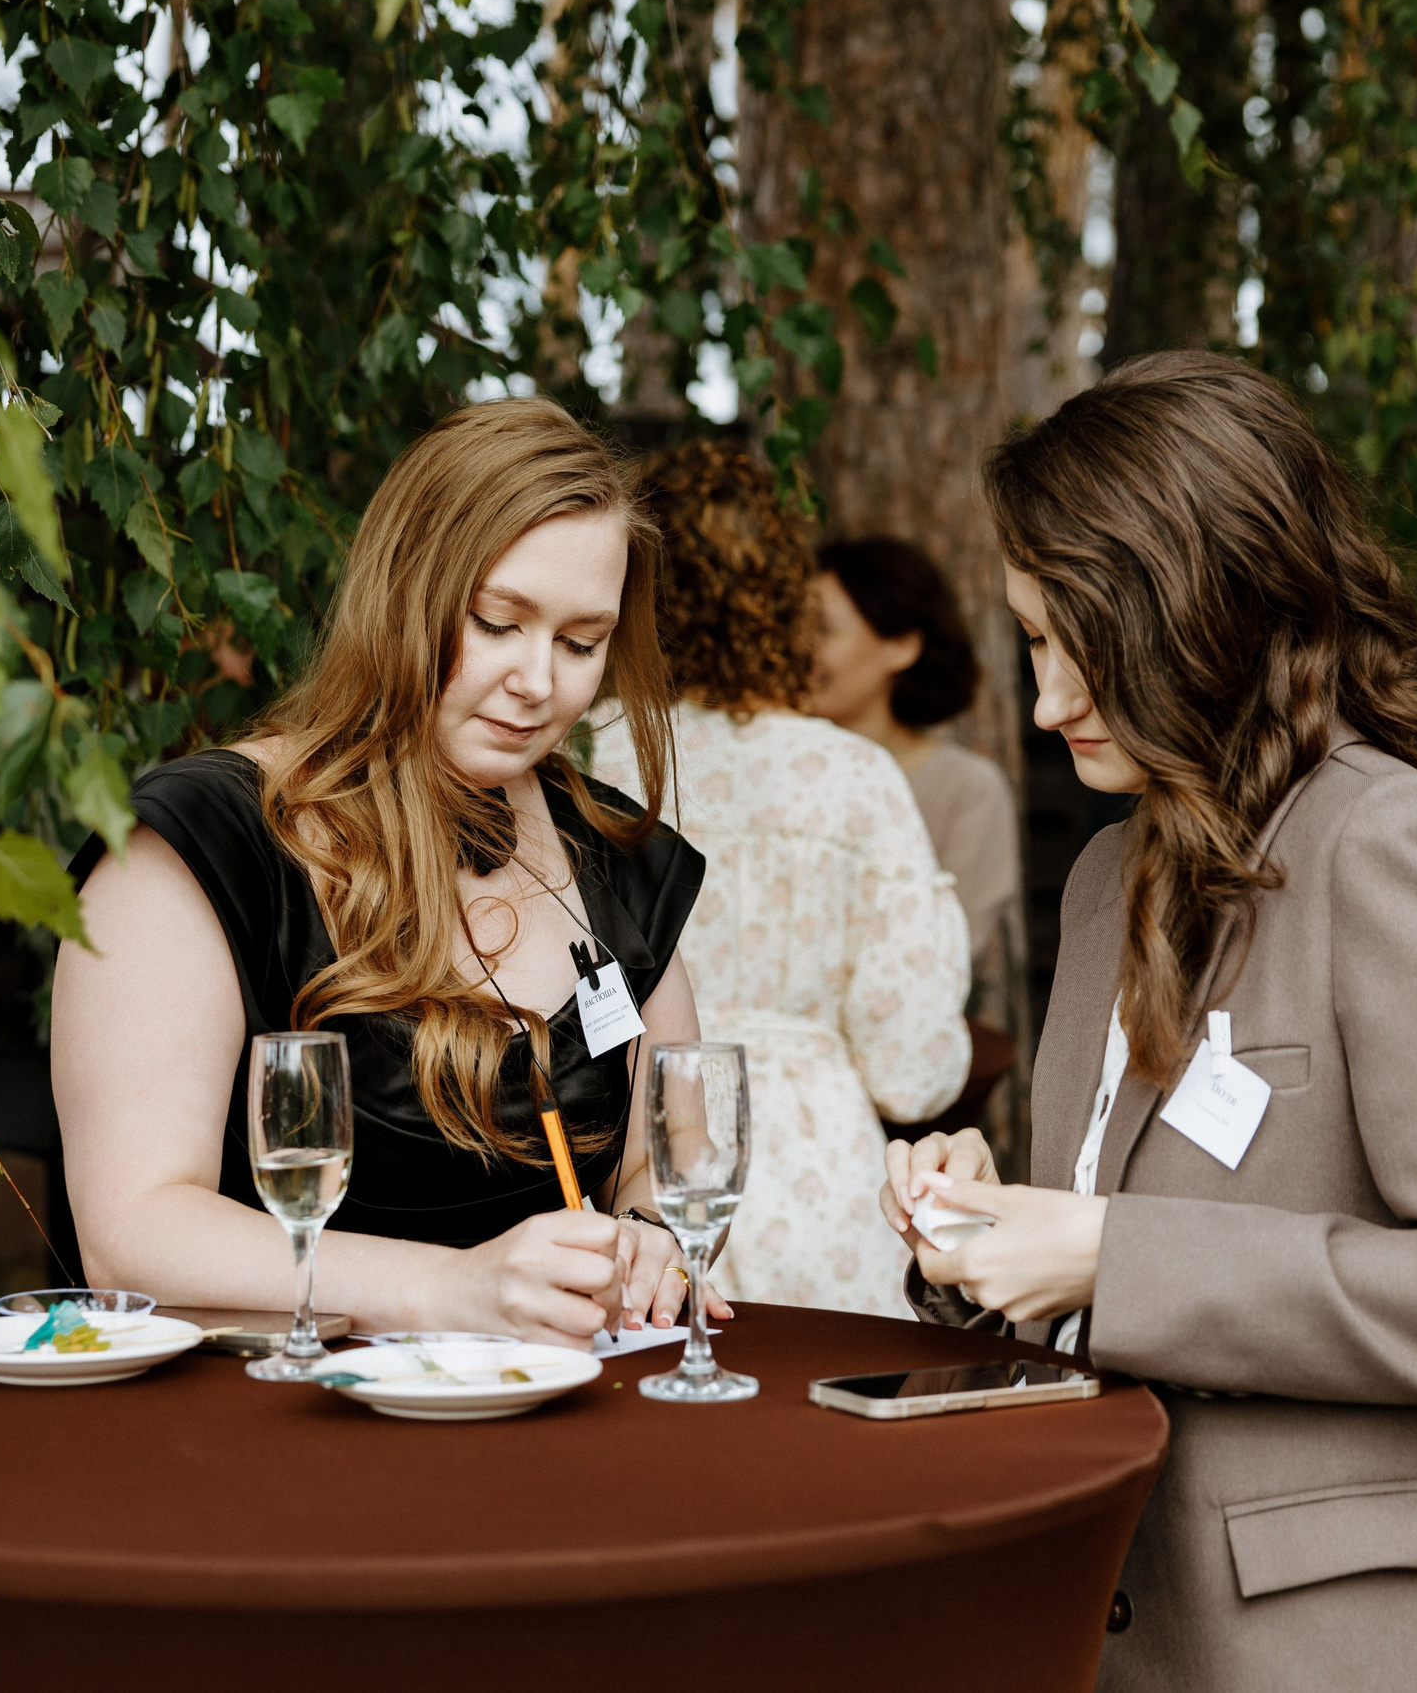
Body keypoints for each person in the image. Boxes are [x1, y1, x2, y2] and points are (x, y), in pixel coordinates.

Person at [885, 354, 1417, 1691]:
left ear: (1207, 614)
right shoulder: (1112, 870)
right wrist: (987, 1236)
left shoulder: (1393, 838)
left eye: (1081, 648)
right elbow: (1121, 1240)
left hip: (1392, 1647)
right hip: (1149, 1623)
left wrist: (1109, 1253)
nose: (1048, 700)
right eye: (1034, 641)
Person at [51, 398, 721, 1348]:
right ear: (404, 591)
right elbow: (133, 1231)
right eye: (497, 623)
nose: (540, 680)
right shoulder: (205, 845)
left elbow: (665, 1163)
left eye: (580, 643)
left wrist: (652, 1240)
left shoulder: (615, 858)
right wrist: (451, 1289)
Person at [594, 442, 970, 1320]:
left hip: (632, 1181)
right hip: (823, 1198)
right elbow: (914, 1066)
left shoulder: (586, 759)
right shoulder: (855, 776)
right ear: (779, 593)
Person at [809, 536, 1020, 969]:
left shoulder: (967, 790)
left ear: (901, 645)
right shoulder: (781, 771)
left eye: (822, 630)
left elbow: (951, 950)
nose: (800, 649)